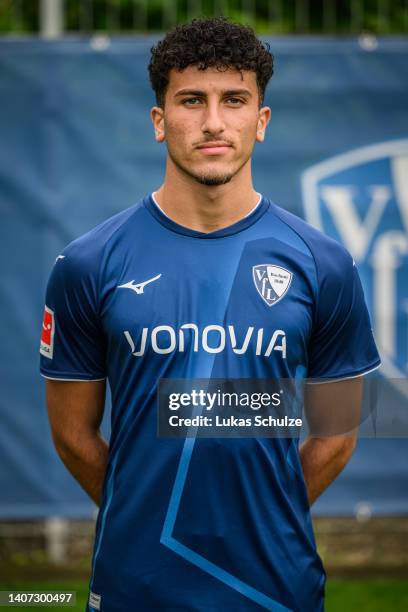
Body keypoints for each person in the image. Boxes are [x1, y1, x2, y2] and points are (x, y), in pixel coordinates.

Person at [40, 18, 381, 612]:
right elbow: (72, 435)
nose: (214, 123)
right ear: (159, 120)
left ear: (262, 121)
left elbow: (338, 433)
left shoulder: (325, 265)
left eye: (235, 100)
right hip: (136, 585)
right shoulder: (87, 263)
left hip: (274, 587)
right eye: (192, 100)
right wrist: (143, 514)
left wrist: (262, 516)